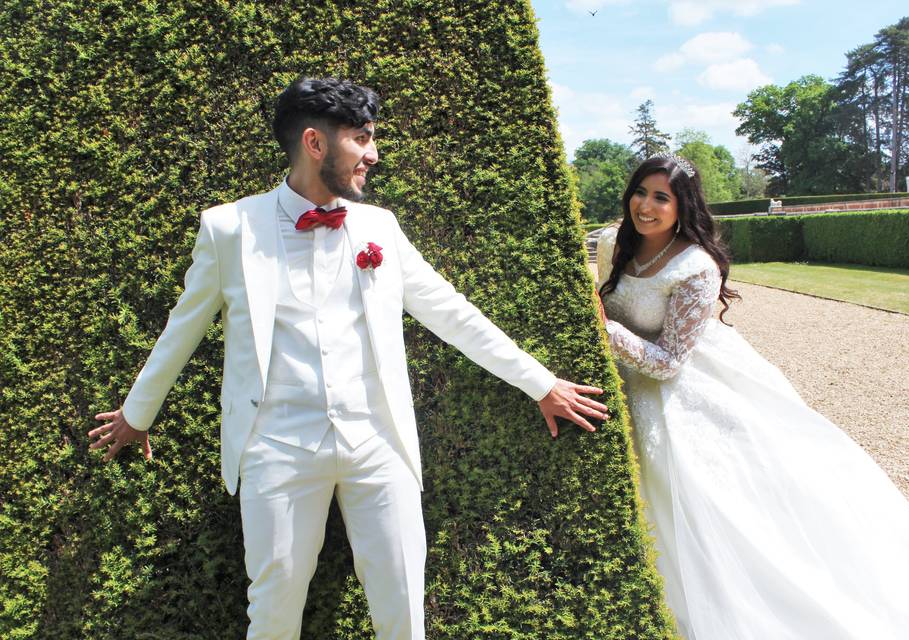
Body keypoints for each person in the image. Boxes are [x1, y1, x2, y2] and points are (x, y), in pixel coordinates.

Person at [88, 76, 609, 640]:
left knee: (403, 605)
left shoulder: (378, 227)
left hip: (377, 441)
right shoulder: (228, 228)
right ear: (316, 144)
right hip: (275, 448)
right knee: (273, 611)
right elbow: (181, 329)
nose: (373, 154)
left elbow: (451, 313)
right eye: (362, 139)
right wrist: (136, 414)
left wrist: (539, 383)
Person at [596, 153, 909, 639]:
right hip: (625, 377)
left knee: (700, 497)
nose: (646, 205)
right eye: (640, 192)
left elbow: (668, 363)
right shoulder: (614, 243)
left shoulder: (696, 266)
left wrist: (603, 329)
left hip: (680, 383)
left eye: (661, 197)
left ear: (683, 206)